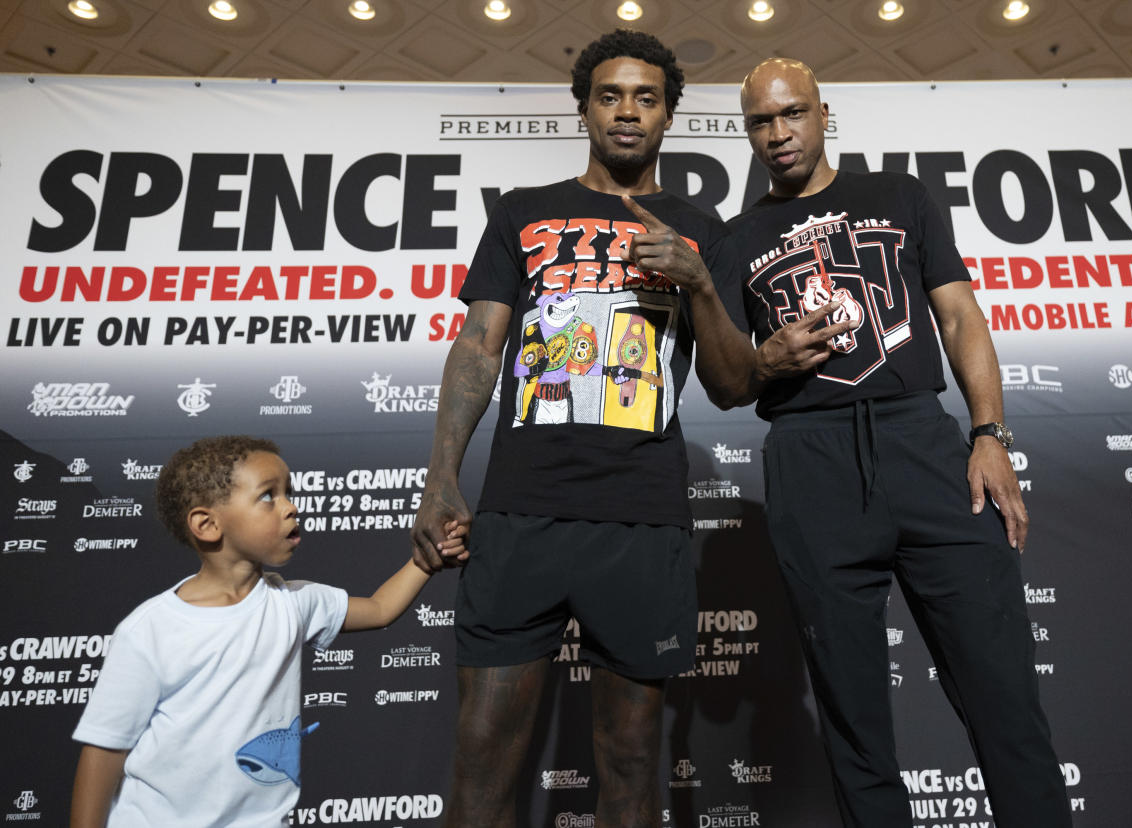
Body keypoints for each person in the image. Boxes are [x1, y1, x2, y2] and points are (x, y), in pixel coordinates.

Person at [406, 29, 836, 828]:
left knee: (634, 757)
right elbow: (477, 347)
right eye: (610, 95)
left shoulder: (706, 225)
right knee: (484, 751)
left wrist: (702, 280)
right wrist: (441, 477)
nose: (627, 112)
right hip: (520, 508)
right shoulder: (523, 214)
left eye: (646, 97)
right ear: (584, 110)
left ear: (670, 116)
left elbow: (734, 384)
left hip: (640, 517)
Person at [713, 59, 1074, 827]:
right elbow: (724, 381)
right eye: (761, 122)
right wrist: (767, 359)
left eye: (793, 113)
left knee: (1005, 696)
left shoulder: (899, 195)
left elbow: (960, 319)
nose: (779, 134)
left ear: (823, 113)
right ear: (748, 131)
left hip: (922, 441)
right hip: (809, 458)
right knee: (854, 724)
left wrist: (988, 434)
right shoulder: (736, 237)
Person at [69, 435, 447, 828]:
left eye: (289, 492)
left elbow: (381, 609)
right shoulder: (150, 630)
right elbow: (105, 752)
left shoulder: (294, 603)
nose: (290, 506)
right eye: (269, 496)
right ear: (207, 524)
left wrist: (430, 558)